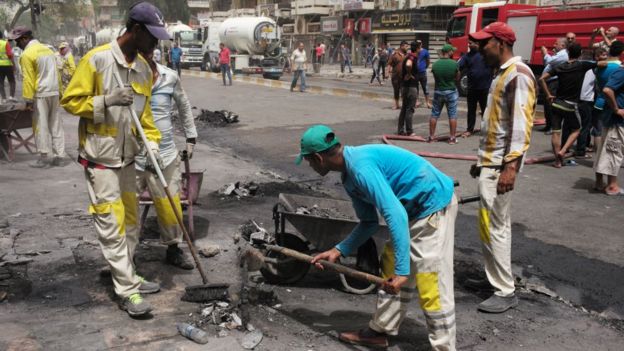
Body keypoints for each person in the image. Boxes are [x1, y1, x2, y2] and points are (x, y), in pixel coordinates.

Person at [299, 125, 458, 350]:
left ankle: (444, 347)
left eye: (309, 161)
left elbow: (395, 214)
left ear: (318, 157)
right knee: (391, 263)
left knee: (431, 280)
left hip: (432, 206)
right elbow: (369, 223)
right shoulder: (349, 176)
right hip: (411, 210)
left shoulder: (361, 168)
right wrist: (338, 250)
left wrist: (404, 271)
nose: (309, 165)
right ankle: (379, 330)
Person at [60, 1, 170, 317]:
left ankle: (126, 272)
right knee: (110, 222)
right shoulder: (96, 61)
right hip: (101, 158)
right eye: (152, 37)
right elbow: (70, 101)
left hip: (128, 159)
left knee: (131, 222)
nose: (156, 44)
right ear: (135, 30)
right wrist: (105, 100)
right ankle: (127, 291)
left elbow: (145, 117)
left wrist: (154, 145)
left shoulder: (144, 71)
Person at [468, 22, 537, 313]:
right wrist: (480, 162)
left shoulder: (518, 76)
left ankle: (505, 290)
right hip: (491, 163)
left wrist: (510, 168)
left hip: (500, 167)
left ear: (500, 43)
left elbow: (520, 128)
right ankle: (495, 280)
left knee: (495, 227)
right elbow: (497, 124)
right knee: (490, 226)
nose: (480, 49)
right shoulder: (502, 74)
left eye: (484, 43)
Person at [136, 48, 197, 270]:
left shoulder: (169, 77)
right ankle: (125, 257)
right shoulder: (127, 78)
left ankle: (173, 249)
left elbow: (184, 106)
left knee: (170, 206)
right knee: (126, 209)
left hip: (166, 154)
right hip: (133, 156)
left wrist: (191, 137)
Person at [8, 26, 66, 168]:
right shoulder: (48, 50)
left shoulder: (27, 54)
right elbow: (57, 73)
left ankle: (45, 157)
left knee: (41, 125)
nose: (17, 45)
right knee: (56, 124)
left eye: (18, 41)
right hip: (54, 91)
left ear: (26, 38)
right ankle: (60, 156)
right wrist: (60, 92)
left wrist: (28, 101)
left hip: (40, 94)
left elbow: (28, 79)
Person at [539, 43, 597, 168]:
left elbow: (542, 79)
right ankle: (563, 151)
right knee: (577, 130)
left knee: (556, 132)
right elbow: (602, 64)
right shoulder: (582, 65)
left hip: (556, 103)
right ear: (580, 53)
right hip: (571, 105)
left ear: (568, 53)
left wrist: (548, 95)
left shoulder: (560, 66)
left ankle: (557, 161)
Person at [593, 42, 624, 192]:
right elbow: (608, 90)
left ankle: (599, 182)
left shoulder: (601, 67)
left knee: (604, 149)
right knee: (614, 150)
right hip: (615, 116)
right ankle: (612, 185)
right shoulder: (619, 69)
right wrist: (617, 109)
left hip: (604, 109)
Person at [458, 39, 492, 137]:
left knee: (485, 111)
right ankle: (469, 129)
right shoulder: (466, 56)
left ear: (477, 44)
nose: (468, 45)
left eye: (470, 43)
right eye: (468, 43)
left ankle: (486, 129)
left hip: (485, 88)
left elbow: (495, 67)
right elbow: (458, 66)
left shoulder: (486, 54)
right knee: (471, 110)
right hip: (472, 88)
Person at [429, 44, 460, 144]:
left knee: (434, 114)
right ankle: (452, 138)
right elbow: (457, 77)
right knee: (452, 115)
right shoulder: (454, 64)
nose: (453, 52)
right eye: (452, 51)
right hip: (451, 91)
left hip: (438, 91)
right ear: (449, 52)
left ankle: (432, 137)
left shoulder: (435, 64)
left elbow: (435, 78)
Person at [540, 38, 568, 134]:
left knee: (551, 104)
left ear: (563, 46)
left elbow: (549, 61)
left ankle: (553, 126)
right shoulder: (558, 54)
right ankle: (548, 125)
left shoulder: (563, 54)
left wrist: (545, 52)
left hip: (554, 82)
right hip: (548, 81)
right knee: (546, 104)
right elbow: (547, 64)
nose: (554, 45)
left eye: (556, 44)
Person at [397, 41, 420, 136]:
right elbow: (408, 64)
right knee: (409, 109)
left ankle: (400, 130)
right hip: (411, 87)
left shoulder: (407, 56)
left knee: (404, 108)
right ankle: (409, 131)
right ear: (418, 48)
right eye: (420, 47)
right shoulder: (412, 57)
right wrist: (409, 74)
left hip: (405, 86)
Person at [387, 41, 407, 110]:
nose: (407, 48)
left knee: (403, 91)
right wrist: (387, 73)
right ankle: (396, 104)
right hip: (395, 76)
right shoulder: (395, 54)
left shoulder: (406, 55)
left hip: (404, 76)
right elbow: (389, 63)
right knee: (396, 91)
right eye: (406, 46)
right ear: (401, 46)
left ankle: (404, 105)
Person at [0, 31, 17, 103]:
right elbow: (10, 55)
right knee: (12, 81)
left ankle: (3, 98)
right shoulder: (5, 43)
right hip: (7, 65)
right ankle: (11, 97)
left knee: (1, 82)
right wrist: (14, 65)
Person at [415, 40, 431, 109]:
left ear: (421, 44)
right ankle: (416, 102)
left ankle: (427, 102)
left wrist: (425, 67)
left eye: (420, 43)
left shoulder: (425, 51)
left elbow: (428, 61)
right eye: (417, 44)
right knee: (416, 88)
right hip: (415, 73)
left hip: (422, 72)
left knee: (425, 88)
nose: (419, 45)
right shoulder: (414, 51)